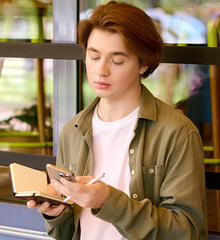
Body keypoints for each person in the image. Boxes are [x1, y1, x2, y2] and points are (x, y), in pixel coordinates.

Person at [27, 2, 207, 239]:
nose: (101, 70)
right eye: (94, 56)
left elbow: (187, 231)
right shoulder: (73, 131)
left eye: (117, 60)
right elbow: (66, 232)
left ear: (143, 64)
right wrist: (54, 213)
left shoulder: (176, 132)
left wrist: (108, 201)